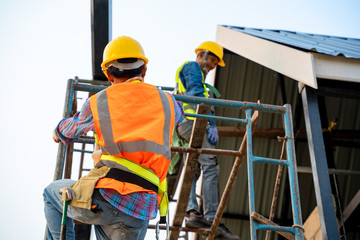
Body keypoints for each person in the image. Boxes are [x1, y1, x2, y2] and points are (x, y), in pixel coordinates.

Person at [44, 36, 184, 240]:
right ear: (144, 71)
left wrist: (57, 131)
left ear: (109, 75)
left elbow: (70, 130)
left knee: (51, 194)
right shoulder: (168, 101)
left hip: (108, 194)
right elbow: (179, 117)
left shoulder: (100, 101)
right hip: (142, 208)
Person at [175, 41, 240, 240]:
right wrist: (210, 122)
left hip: (185, 125)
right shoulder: (192, 67)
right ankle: (212, 218)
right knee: (211, 167)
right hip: (194, 122)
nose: (212, 66)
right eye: (212, 60)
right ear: (202, 55)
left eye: (214, 63)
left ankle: (193, 213)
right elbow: (196, 95)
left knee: (193, 169)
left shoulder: (193, 73)